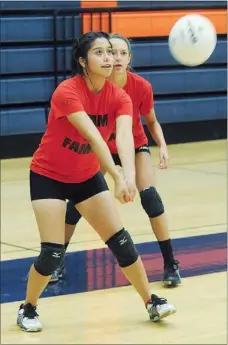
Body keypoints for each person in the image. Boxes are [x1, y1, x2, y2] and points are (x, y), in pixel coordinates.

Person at [17, 31, 176, 332]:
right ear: (82, 60)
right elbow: (92, 136)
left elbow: (126, 136)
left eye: (111, 52)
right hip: (48, 175)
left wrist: (129, 177)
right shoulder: (68, 91)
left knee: (122, 242)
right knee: (51, 253)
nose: (109, 58)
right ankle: (28, 307)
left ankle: (150, 301)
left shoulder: (120, 96)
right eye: (100, 53)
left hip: (86, 176)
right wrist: (115, 176)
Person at [51, 33, 181, 287]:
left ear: (129, 58)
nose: (116, 57)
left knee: (151, 198)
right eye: (112, 52)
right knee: (77, 203)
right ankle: (56, 260)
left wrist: (162, 145)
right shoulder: (94, 84)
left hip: (133, 145)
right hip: (100, 148)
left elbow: (150, 121)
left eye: (122, 53)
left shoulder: (140, 87)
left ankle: (170, 263)